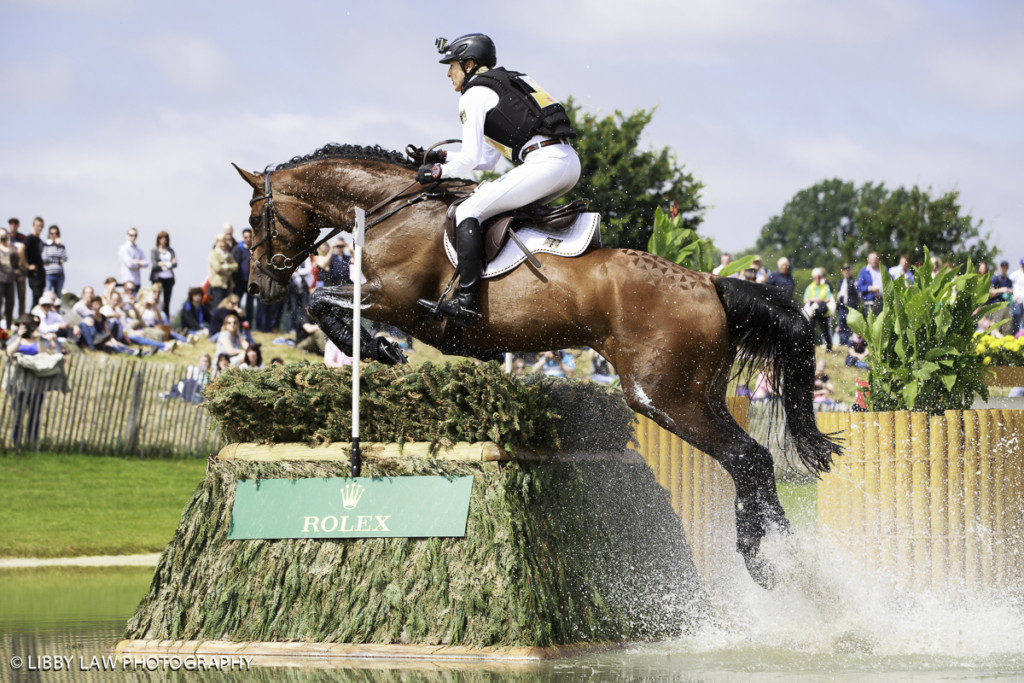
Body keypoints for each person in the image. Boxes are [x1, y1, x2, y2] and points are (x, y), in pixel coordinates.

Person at [420, 33, 579, 327]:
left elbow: (468, 161)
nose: (447, 73)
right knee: (495, 208)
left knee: (468, 211)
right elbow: (487, 159)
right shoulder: (506, 84)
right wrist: (442, 157)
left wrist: (437, 172)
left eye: (451, 65)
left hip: (544, 163)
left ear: (469, 64)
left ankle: (467, 301)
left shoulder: (473, 94)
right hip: (565, 162)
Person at [803, 267, 833, 352]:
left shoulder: (825, 286)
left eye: (819, 277)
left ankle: (829, 348)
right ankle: (810, 347)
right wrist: (812, 299)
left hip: (822, 311)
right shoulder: (810, 287)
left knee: (825, 330)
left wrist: (820, 300)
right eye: (815, 277)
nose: (817, 279)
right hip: (813, 311)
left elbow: (828, 298)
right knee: (811, 330)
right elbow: (805, 300)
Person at [149, 230, 177, 316]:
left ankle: (166, 320)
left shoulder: (170, 251)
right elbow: (155, 265)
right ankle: (155, 316)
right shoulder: (155, 250)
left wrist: (163, 264)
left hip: (168, 278)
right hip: (158, 278)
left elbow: (175, 263)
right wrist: (168, 264)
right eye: (161, 238)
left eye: (165, 238)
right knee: (156, 299)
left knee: (167, 301)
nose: (163, 240)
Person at [208, 235, 237, 307]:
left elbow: (236, 266)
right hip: (218, 283)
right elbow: (217, 268)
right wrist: (229, 269)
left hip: (228, 284)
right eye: (221, 242)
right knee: (218, 306)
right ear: (216, 243)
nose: (223, 244)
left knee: (226, 306)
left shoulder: (228, 254)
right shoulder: (213, 254)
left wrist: (226, 266)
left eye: (224, 242)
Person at [834, 264, 860, 346]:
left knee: (851, 325)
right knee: (842, 324)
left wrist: (854, 304)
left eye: (847, 270)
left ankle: (851, 343)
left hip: (850, 306)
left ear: (850, 271)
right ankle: (843, 342)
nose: (846, 271)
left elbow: (858, 294)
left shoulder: (853, 281)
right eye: (844, 270)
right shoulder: (841, 282)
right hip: (841, 306)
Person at [231, 227, 254, 322]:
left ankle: (248, 324)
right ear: (243, 237)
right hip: (239, 281)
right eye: (246, 237)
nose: (248, 239)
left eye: (249, 237)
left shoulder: (255, 248)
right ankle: (237, 323)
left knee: (250, 305)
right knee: (237, 303)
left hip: (251, 281)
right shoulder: (237, 249)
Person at [23, 216, 46, 308]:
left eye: (41, 226)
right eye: (38, 226)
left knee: (40, 297)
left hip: (41, 272)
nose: (39, 228)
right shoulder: (29, 238)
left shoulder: (40, 240)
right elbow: (20, 250)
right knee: (36, 296)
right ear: (33, 225)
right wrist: (27, 266)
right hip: (34, 274)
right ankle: (33, 318)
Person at [8, 217, 28, 317]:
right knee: (8, 296)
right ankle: (6, 317)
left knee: (21, 295)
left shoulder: (23, 238)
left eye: (15, 223)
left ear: (18, 225)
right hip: (8, 271)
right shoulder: (5, 237)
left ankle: (21, 316)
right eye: (11, 223)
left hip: (20, 270)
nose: (13, 225)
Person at [41, 224, 68, 296]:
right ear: (49, 235)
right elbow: (44, 258)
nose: (54, 235)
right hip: (48, 274)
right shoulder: (45, 245)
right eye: (52, 233)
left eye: (56, 233)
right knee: (47, 294)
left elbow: (64, 258)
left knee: (58, 295)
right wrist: (57, 260)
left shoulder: (61, 246)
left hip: (60, 274)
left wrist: (58, 246)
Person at [0, 226, 16, 329]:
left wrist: (9, 245)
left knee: (10, 304)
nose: (3, 238)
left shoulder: (12, 248)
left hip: (10, 280)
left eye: (4, 236)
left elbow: (15, 259)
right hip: (0, 279)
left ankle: (9, 326)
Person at [1011, 258, 1024, 335]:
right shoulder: (1016, 274)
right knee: (1016, 321)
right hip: (1017, 301)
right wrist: (1012, 295)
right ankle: (1015, 337)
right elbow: (1008, 283)